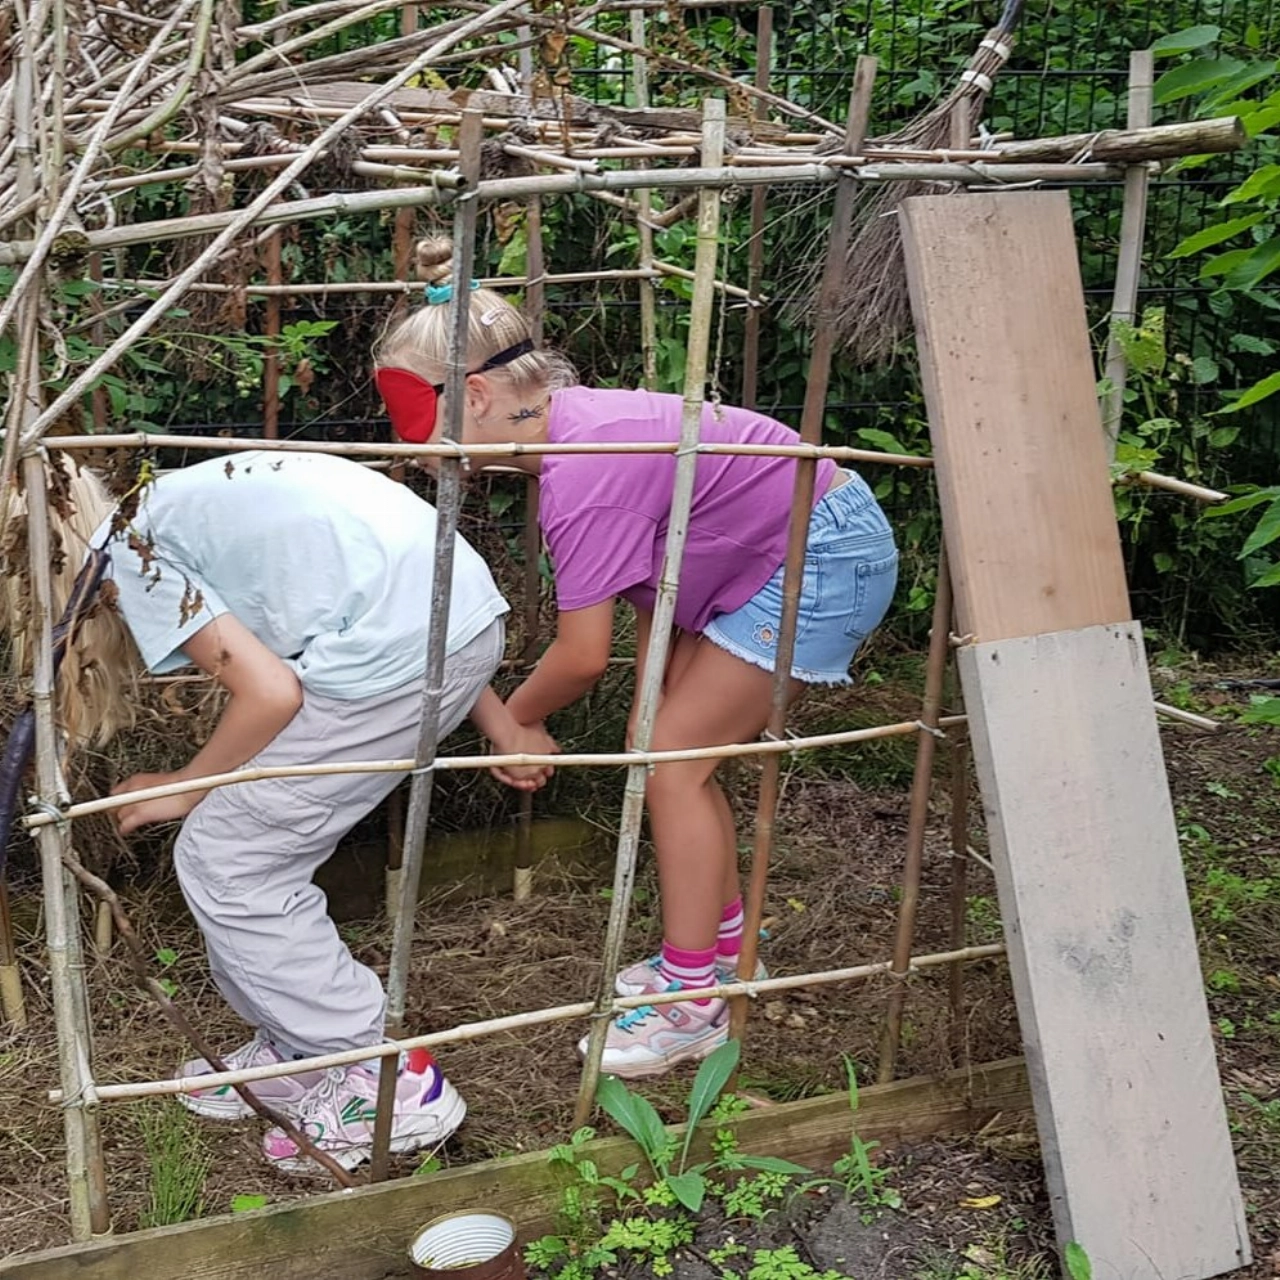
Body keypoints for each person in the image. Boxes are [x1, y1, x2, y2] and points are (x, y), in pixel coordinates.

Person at [373, 237, 899, 1080]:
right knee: (671, 750)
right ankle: (719, 957)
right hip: (767, 551)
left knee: (671, 767)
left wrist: (519, 721)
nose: (410, 451)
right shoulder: (578, 428)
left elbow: (584, 654)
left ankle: (690, 1004)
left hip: (815, 556)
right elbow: (657, 575)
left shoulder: (581, 469)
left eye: (414, 424)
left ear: (473, 395)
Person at [5, 450, 549, 1173]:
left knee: (232, 861)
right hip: (450, 618)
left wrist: (187, 783)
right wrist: (500, 723)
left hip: (397, 650)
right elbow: (404, 596)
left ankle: (380, 1075)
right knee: (239, 852)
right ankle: (299, 1048)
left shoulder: (131, 554)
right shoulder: (163, 507)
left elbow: (271, 694)